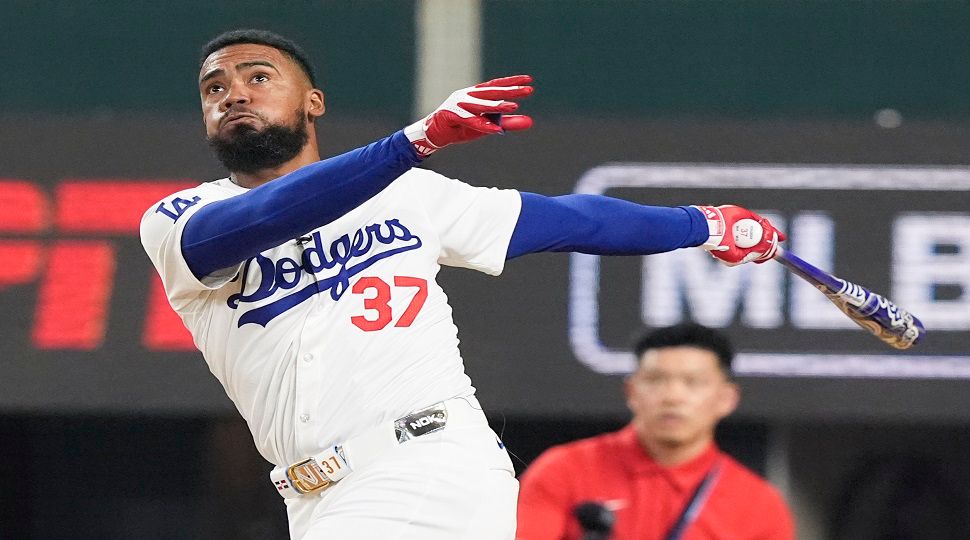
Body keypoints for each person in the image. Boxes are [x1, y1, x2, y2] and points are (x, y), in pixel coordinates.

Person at [139, 29, 785, 540]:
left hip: (424, 462)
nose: (234, 94)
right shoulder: (176, 220)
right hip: (313, 497)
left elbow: (565, 219)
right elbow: (262, 218)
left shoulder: (407, 193)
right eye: (214, 87)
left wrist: (701, 224)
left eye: (258, 77)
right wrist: (414, 141)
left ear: (314, 103)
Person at [515, 323, 796, 540]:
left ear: (727, 398)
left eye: (693, 382)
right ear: (631, 391)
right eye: (655, 380)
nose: (672, 396)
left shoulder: (758, 503)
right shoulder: (564, 470)